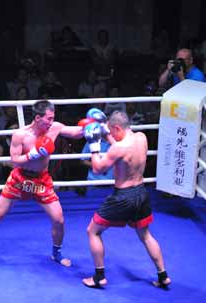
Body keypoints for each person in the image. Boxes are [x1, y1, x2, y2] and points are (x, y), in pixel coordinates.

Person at [0, 100, 84, 266]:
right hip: (19, 178)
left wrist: (94, 126)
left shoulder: (54, 128)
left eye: (53, 118)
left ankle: (56, 253)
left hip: (41, 179)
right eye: (48, 119)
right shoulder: (20, 135)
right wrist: (33, 154)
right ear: (37, 118)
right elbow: (14, 160)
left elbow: (76, 132)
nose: (51, 122)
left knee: (59, 220)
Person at [81, 110, 170, 288]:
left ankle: (99, 277)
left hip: (123, 197)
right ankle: (163, 276)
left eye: (112, 132)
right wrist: (108, 135)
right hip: (141, 192)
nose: (111, 136)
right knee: (145, 235)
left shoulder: (118, 149)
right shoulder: (141, 137)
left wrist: (93, 144)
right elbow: (122, 149)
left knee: (93, 231)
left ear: (117, 128)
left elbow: (98, 168)